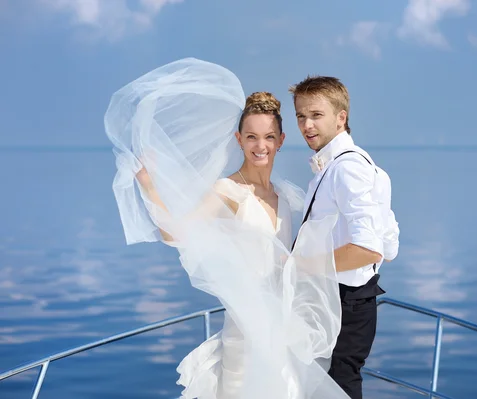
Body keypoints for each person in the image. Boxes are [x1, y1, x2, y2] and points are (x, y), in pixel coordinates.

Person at [104, 58, 349, 398]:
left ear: (280, 139)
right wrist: (149, 184)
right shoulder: (227, 191)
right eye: (251, 137)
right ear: (239, 139)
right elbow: (175, 233)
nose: (259, 146)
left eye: (267, 137)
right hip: (247, 332)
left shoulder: (286, 195)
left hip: (283, 329)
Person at [289, 75, 400, 399]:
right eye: (300, 116)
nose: (307, 125)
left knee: (335, 389)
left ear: (341, 117)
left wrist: (302, 266)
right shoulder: (367, 169)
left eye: (316, 115)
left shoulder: (345, 170)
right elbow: (389, 248)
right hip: (348, 301)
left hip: (343, 304)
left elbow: (369, 248)